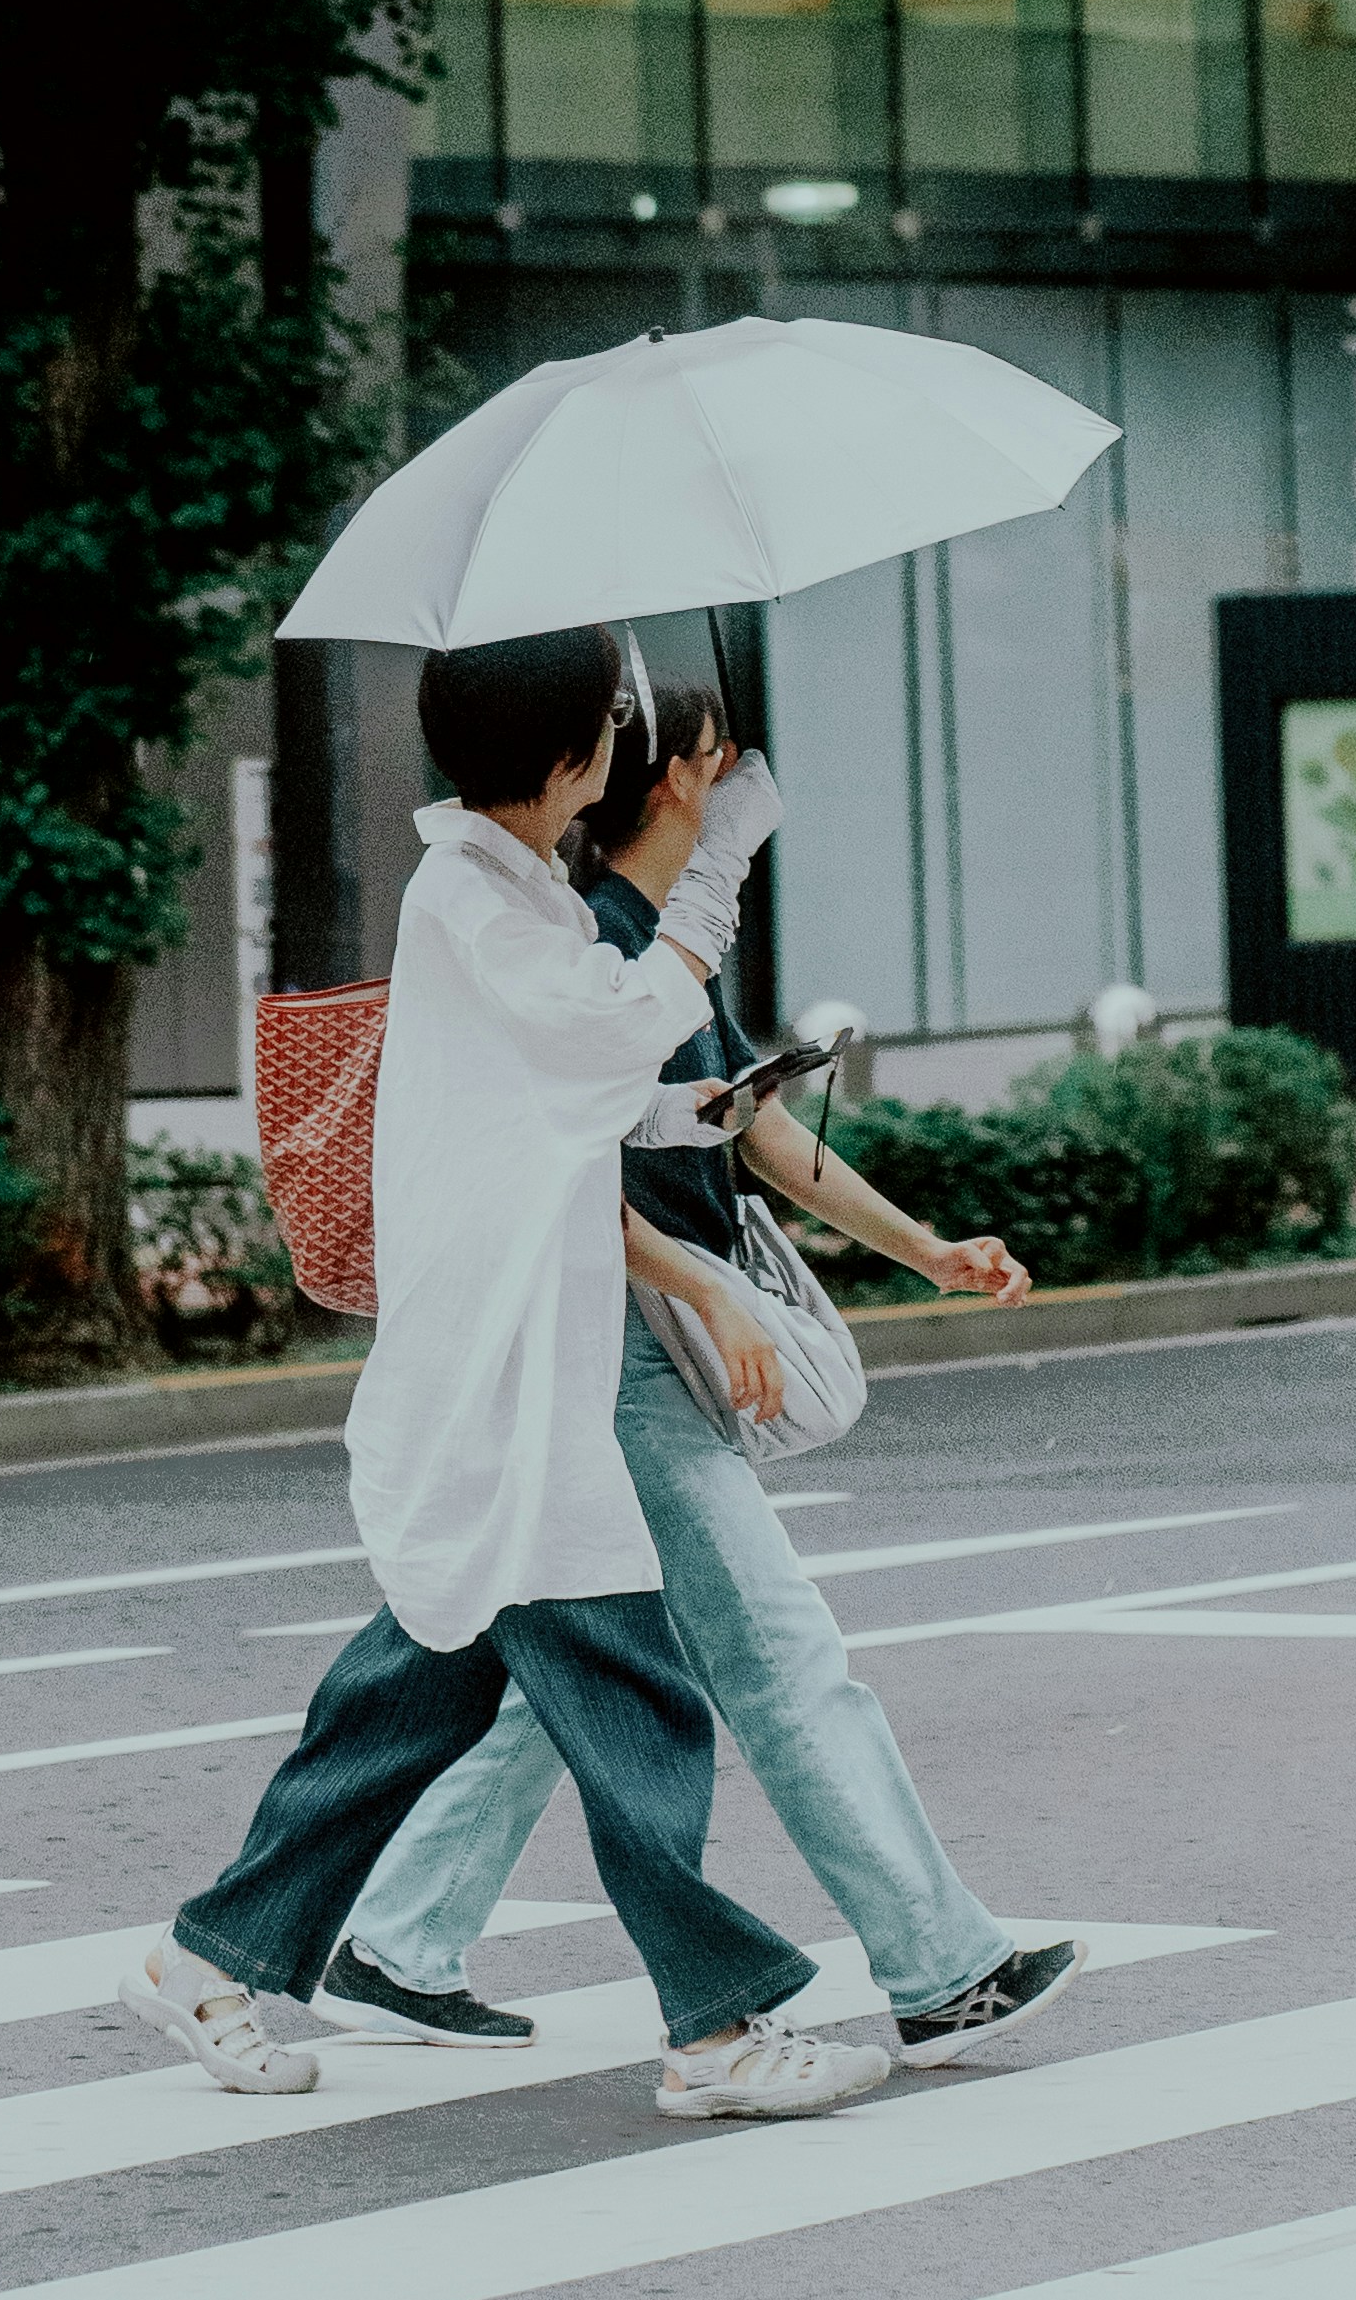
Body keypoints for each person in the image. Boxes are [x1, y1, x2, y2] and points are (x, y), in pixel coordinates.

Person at [129, 621, 891, 2127]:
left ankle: (205, 1957)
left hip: (514, 1367)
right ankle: (722, 2030)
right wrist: (721, 848)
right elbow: (610, 1029)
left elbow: (594, 1099)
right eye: (610, 726)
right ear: (572, 754)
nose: (620, 749)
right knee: (634, 1700)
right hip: (501, 1382)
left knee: (406, 1702)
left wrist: (701, 1068)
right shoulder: (473, 898)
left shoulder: (510, 887)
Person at [316, 677, 1088, 2069]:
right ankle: (934, 1966)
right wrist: (714, 1280)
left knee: (574, 1666)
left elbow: (749, 1134)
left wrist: (923, 1249)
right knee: (778, 1662)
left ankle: (393, 1937)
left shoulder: (639, 938)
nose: (738, 783)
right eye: (716, 763)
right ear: (676, 775)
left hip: (619, 1344)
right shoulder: (593, 937)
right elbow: (561, 1181)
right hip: (616, 1351)